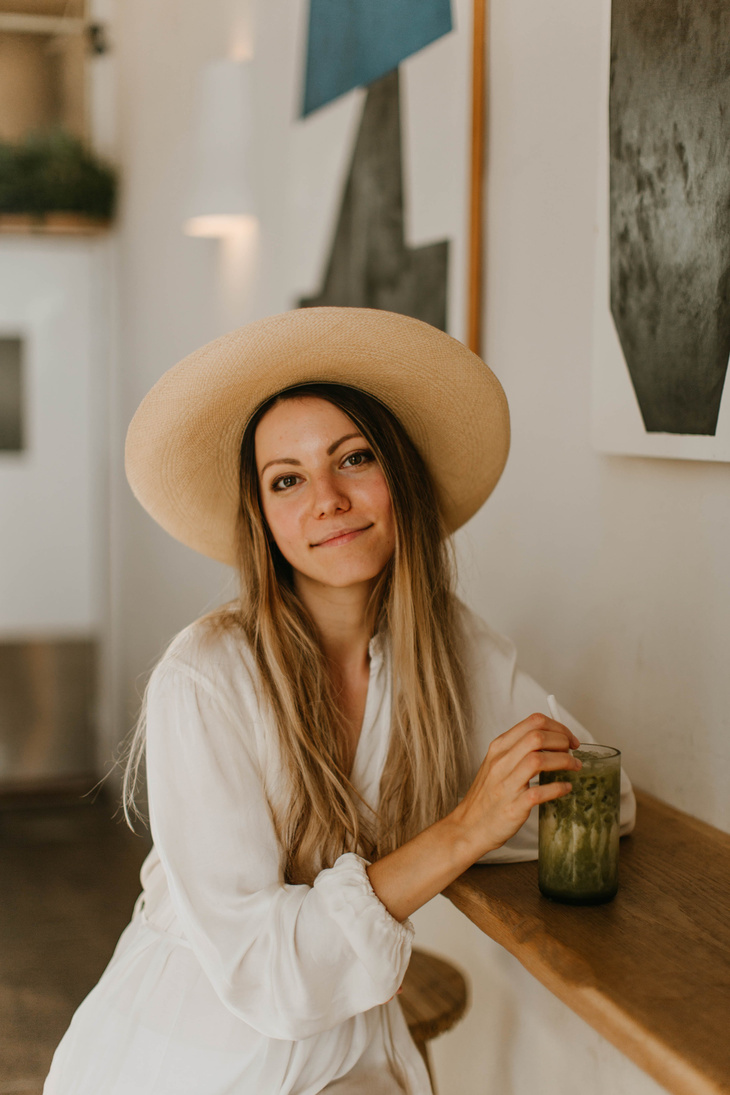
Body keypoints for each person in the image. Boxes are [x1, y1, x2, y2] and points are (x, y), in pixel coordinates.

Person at [44, 307, 635, 1095]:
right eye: (286, 479)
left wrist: (489, 804)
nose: (325, 498)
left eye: (353, 459)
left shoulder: (452, 649)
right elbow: (260, 969)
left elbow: (608, 797)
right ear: (264, 519)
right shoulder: (207, 675)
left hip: (352, 1043)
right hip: (195, 1050)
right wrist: (460, 828)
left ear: (401, 480)